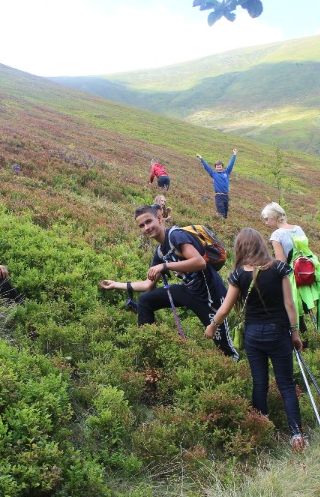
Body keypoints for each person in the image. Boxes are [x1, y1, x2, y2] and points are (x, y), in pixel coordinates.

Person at [205, 228, 306, 450]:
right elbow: (290, 305)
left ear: (240, 248)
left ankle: (260, 429)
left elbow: (225, 308)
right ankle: (296, 435)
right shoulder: (279, 268)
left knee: (259, 383)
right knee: (286, 385)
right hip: (279, 333)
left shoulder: (239, 275)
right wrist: (295, 334)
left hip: (253, 335)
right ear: (261, 244)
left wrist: (212, 326)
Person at [99, 205, 237, 359]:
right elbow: (148, 285)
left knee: (224, 349)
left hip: (210, 296)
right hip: (188, 290)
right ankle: (148, 350)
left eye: (148, 222)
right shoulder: (160, 251)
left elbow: (199, 263)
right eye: (141, 226)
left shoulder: (176, 235)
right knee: (145, 300)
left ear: (159, 218)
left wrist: (165, 266)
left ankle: (234, 366)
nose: (146, 228)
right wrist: (116, 284)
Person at [261, 202, 320, 335]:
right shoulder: (298, 229)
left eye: (267, 219)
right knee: (302, 310)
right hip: (305, 275)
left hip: (291, 278)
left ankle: (298, 341)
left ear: (275, 216)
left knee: (292, 312)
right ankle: (309, 339)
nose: (265, 222)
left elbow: (281, 263)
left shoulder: (277, 235)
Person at [196, 148, 236, 218]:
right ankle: (220, 226)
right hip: (219, 196)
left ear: (222, 167)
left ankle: (223, 225)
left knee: (226, 214)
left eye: (220, 167)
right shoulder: (214, 174)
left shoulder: (226, 172)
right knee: (221, 214)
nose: (219, 168)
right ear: (215, 168)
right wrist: (201, 158)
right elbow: (207, 167)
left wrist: (234, 154)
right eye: (217, 167)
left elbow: (231, 164)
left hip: (226, 196)